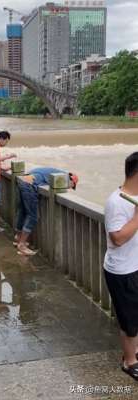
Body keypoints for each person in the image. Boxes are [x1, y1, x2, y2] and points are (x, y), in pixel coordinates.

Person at [104, 152, 138, 381]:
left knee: (135, 315)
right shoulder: (116, 201)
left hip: (134, 265)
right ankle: (129, 362)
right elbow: (117, 238)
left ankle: (134, 353)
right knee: (129, 319)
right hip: (122, 270)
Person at [15, 167, 78, 255]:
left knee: (22, 211)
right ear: (71, 180)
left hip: (22, 181)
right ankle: (22, 245)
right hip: (29, 185)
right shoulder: (62, 177)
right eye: (72, 185)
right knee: (33, 216)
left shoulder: (55, 171)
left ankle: (18, 238)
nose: (70, 187)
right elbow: (57, 187)